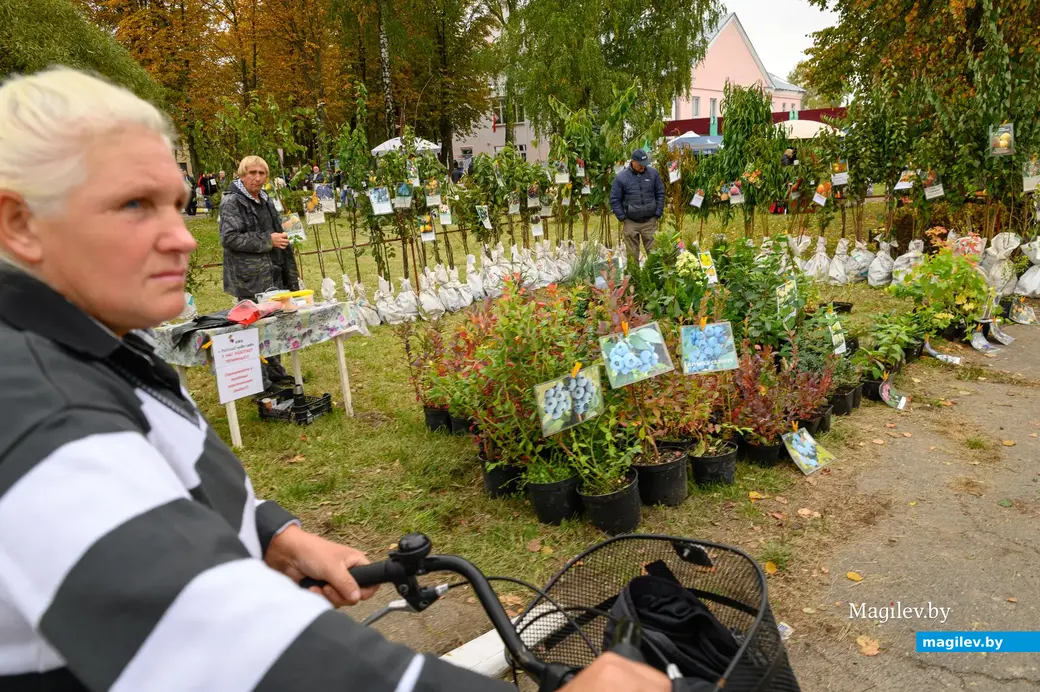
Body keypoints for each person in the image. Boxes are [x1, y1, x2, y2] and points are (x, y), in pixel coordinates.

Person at [0, 67, 671, 692]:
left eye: (177, 204)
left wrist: (273, 535)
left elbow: (165, 479)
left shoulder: (91, 347)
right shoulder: (39, 414)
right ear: (19, 223)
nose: (180, 236)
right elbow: (226, 650)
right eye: (134, 206)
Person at [219, 154, 297, 389]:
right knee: (254, 327)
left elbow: (274, 232)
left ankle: (275, 372)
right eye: (252, 173)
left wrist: (285, 233)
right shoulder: (232, 201)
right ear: (242, 175)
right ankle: (259, 381)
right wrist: (268, 240)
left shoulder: (265, 199)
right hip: (248, 277)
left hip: (272, 271)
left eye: (262, 173)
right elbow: (230, 238)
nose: (257, 178)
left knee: (272, 322)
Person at [609, 149, 665, 262]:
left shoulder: (653, 173)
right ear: (633, 161)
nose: (643, 167)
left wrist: (657, 214)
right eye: (640, 164)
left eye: (645, 164)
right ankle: (634, 277)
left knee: (655, 254)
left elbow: (660, 193)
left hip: (650, 221)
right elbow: (614, 199)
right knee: (632, 255)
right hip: (630, 222)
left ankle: (654, 278)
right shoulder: (621, 177)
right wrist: (622, 217)